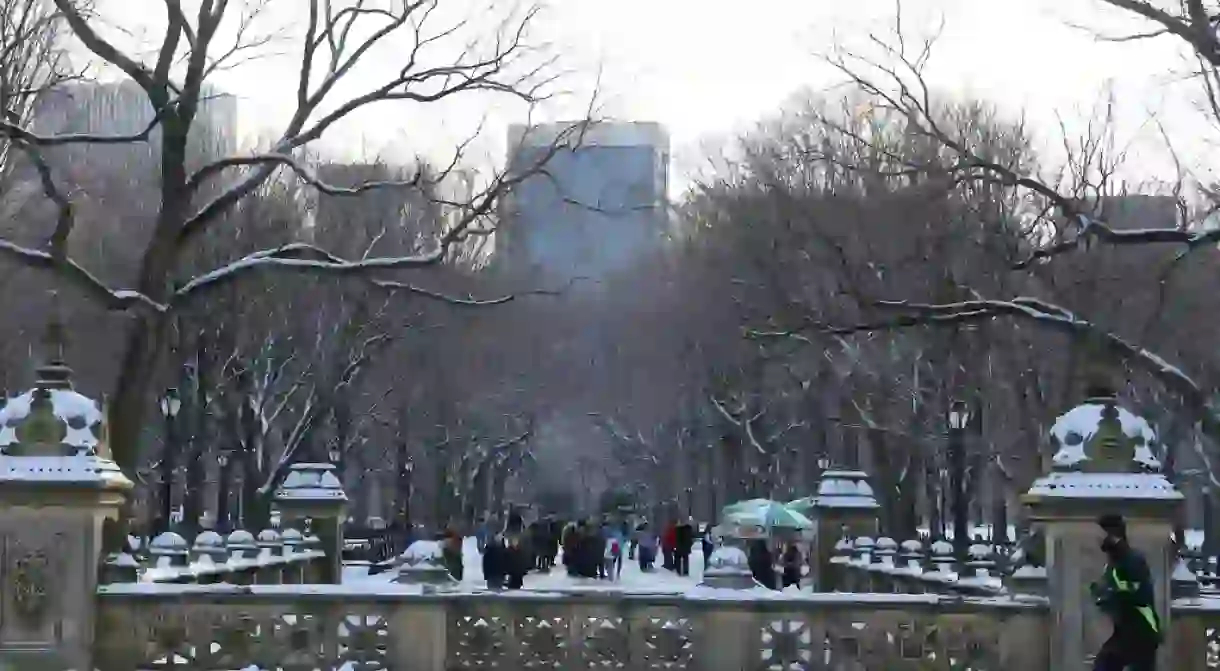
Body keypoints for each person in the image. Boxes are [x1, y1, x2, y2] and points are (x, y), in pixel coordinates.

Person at [1090, 513, 1160, 671]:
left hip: (1141, 629)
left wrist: (1109, 593)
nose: (1098, 538)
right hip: (1127, 629)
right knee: (1104, 663)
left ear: (1113, 535)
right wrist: (1100, 592)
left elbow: (1136, 590)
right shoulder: (1115, 560)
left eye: (1102, 533)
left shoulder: (1132, 559)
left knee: (1106, 663)